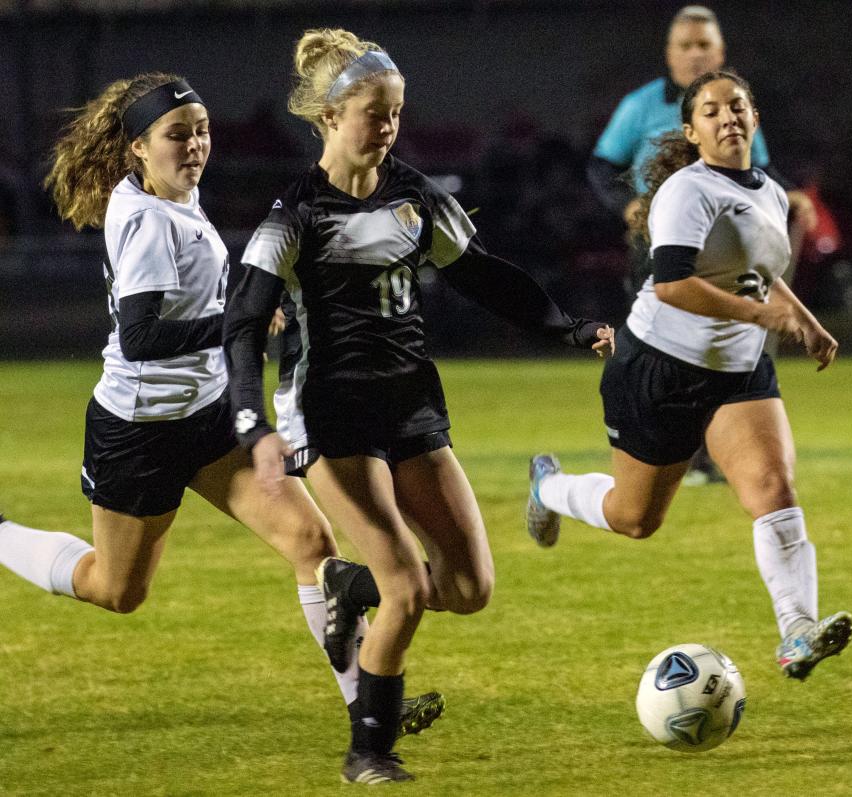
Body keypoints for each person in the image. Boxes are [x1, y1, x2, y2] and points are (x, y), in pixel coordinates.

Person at [0, 72, 442, 742]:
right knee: (116, 589)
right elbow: (144, 338)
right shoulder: (148, 221)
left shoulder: (169, 192)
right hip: (138, 432)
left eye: (202, 130)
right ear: (138, 148)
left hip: (206, 418)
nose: (197, 144)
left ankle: (369, 705)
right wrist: (238, 320)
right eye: (179, 134)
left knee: (310, 542)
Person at [224, 28, 614, 784]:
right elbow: (244, 325)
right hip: (329, 412)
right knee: (407, 588)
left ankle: (351, 583)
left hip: (409, 404)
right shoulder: (294, 214)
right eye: (375, 112)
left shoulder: (415, 196)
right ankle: (368, 750)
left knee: (470, 587)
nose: (389, 126)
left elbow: (486, 275)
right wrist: (252, 423)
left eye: (397, 111)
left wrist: (567, 325)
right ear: (331, 117)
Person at [527, 70, 852, 683]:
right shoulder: (686, 189)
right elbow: (674, 284)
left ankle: (796, 632)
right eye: (712, 111)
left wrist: (804, 320)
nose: (728, 117)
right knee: (635, 519)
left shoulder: (772, 194)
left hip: (737, 370)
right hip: (658, 368)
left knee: (772, 489)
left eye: (738, 106)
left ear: (755, 118)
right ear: (691, 130)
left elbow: (760, 269)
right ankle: (548, 489)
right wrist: (765, 316)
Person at [587, 4, 817, 484]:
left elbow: (759, 171)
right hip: (663, 241)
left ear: (721, 52)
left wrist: (789, 192)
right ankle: (662, 442)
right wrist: (627, 205)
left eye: (704, 45)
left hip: (728, 248)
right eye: (685, 46)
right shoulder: (642, 105)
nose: (695, 54)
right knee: (668, 339)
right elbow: (601, 168)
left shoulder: (736, 107)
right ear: (669, 55)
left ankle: (711, 449)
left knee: (728, 341)